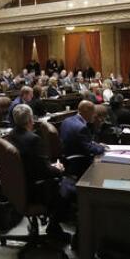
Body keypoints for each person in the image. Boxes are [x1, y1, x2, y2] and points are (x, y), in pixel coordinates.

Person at [7, 104, 67, 237]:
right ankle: (54, 228)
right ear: (30, 120)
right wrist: (58, 169)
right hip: (35, 190)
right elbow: (45, 171)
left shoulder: (11, 134)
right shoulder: (33, 140)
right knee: (67, 190)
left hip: (18, 186)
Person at [59, 100, 106, 177]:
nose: (94, 115)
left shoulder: (66, 120)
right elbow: (89, 149)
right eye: (93, 112)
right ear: (86, 111)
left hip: (66, 157)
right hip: (78, 162)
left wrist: (93, 143)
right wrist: (102, 147)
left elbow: (80, 141)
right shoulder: (81, 127)